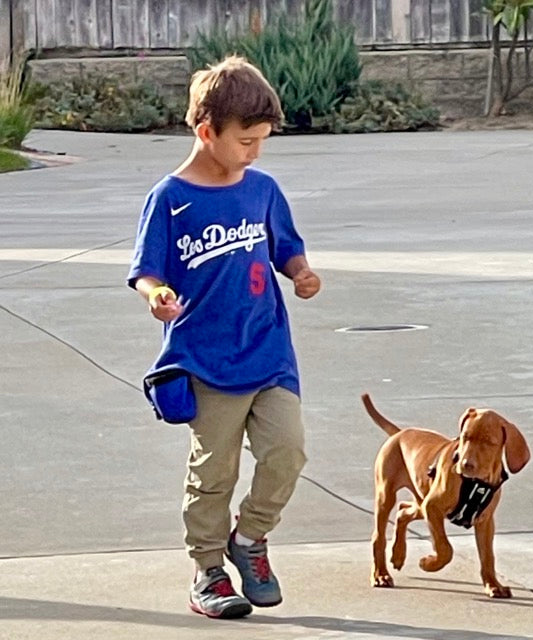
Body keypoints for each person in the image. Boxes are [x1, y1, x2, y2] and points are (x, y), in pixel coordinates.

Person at [127, 55, 321, 620]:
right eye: (245, 141)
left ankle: (250, 539)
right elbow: (147, 268)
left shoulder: (261, 189)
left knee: (288, 451)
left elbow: (285, 247)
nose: (255, 152)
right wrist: (155, 296)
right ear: (206, 131)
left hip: (269, 352)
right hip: (205, 359)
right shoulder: (169, 198)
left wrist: (302, 272)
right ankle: (208, 569)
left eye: (262, 140)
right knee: (214, 472)